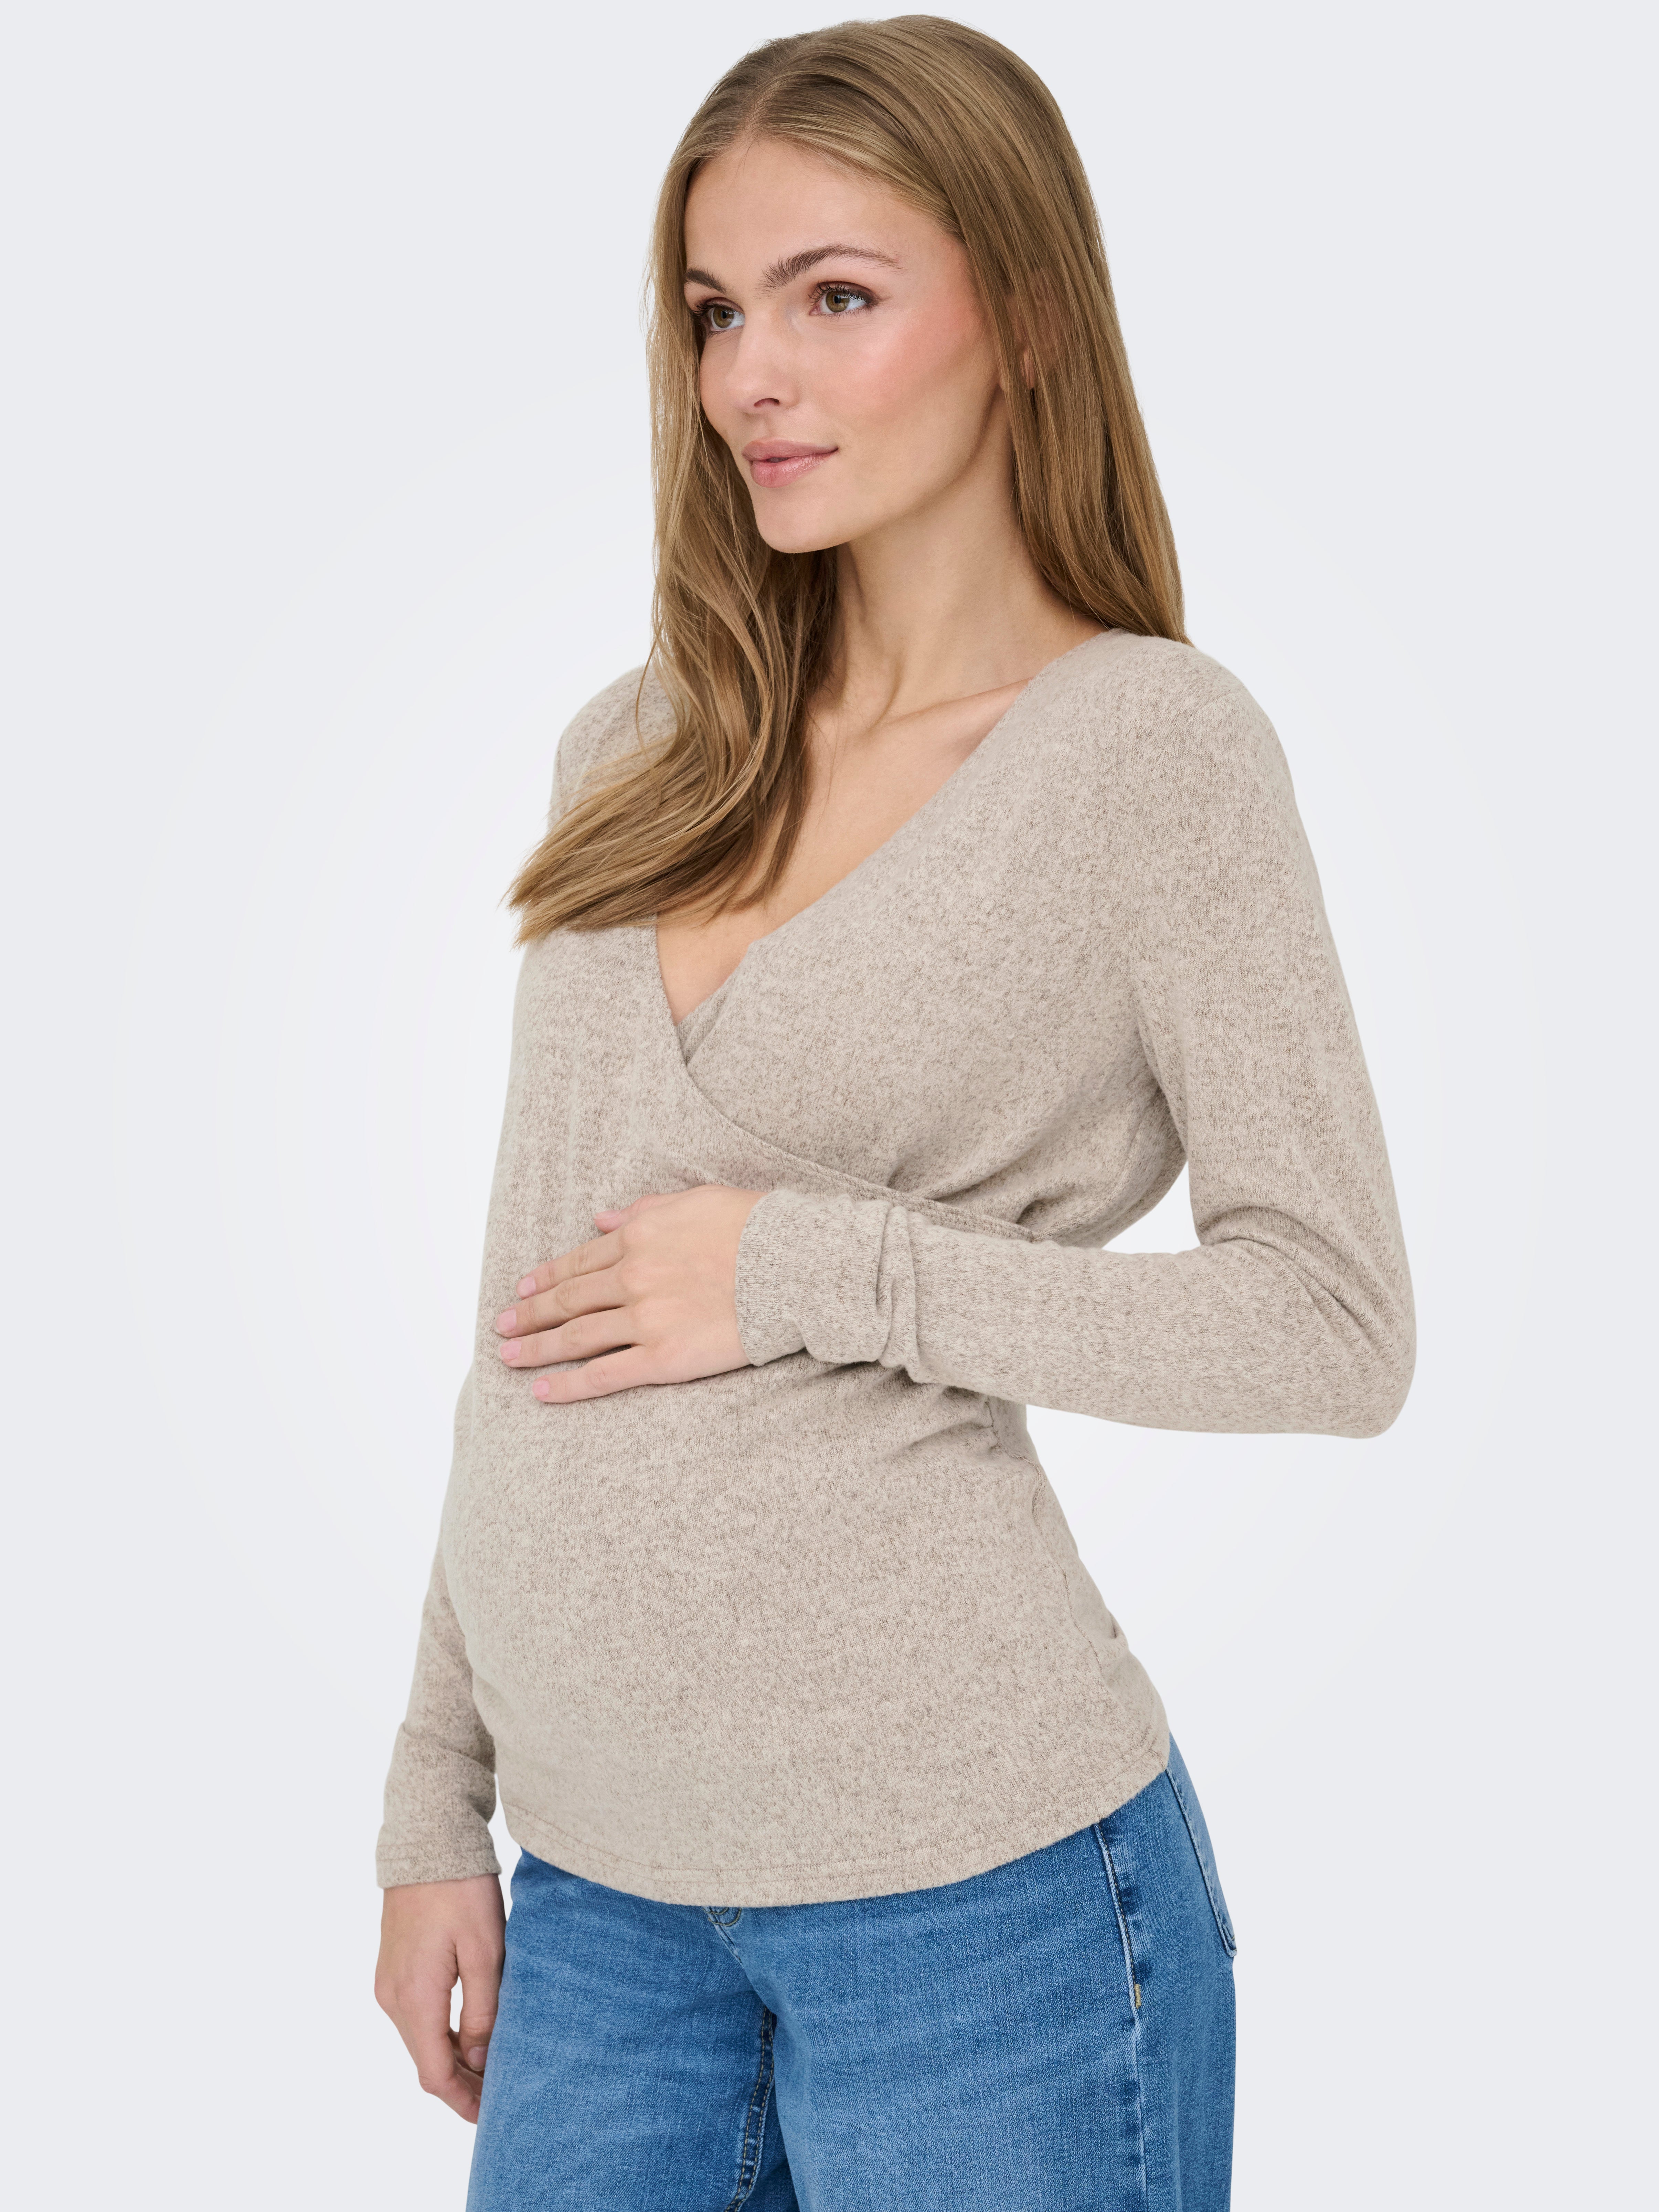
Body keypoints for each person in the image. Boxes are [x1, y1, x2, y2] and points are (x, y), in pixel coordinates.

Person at [372, 17, 1414, 2209]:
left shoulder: (1149, 756)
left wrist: (809, 1269)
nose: (751, 375)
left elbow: (1330, 1328)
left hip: (974, 1900)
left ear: (1020, 314)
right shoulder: (640, 744)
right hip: (597, 1905)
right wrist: (428, 1803)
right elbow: (522, 1313)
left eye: (832, 297)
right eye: (712, 312)